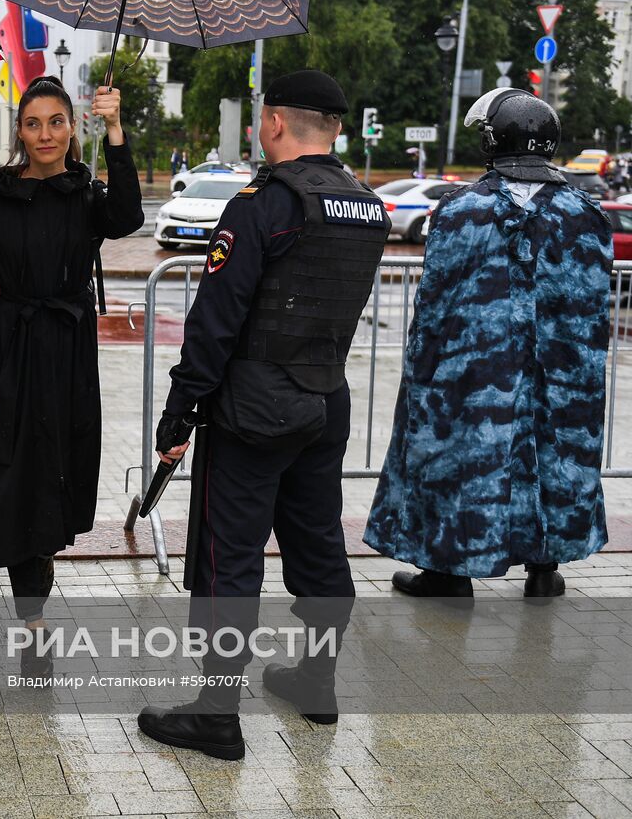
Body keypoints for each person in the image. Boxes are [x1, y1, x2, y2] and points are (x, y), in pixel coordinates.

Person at [137, 70, 388, 760]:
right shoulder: (366, 207)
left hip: (252, 408)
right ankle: (317, 681)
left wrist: (180, 408)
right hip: (323, 401)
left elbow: (215, 321)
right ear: (334, 127)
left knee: (230, 556)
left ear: (274, 122)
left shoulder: (263, 204)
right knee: (318, 545)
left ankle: (217, 713)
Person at [366, 88, 611, 601]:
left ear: (496, 141)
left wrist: (424, 373)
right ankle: (545, 571)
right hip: (564, 378)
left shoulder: (461, 210)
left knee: (462, 462)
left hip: (471, 376)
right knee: (554, 458)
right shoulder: (587, 213)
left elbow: (434, 304)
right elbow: (589, 309)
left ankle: (450, 573)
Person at [0, 76, 142, 629]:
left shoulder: (87, 196)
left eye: (57, 121)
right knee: (15, 474)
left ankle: (40, 581)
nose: (46, 134)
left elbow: (129, 217)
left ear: (72, 127)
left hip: (69, 354)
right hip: (12, 353)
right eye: (34, 123)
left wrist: (115, 130)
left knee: (60, 470)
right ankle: (31, 609)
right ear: (19, 130)